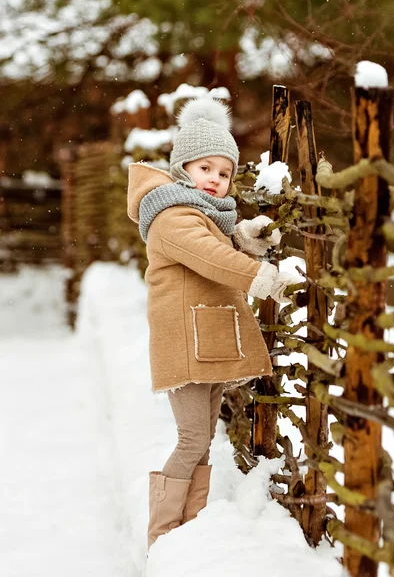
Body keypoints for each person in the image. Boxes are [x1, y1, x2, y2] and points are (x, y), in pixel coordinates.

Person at [126, 97, 300, 549]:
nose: (216, 180)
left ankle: (188, 531)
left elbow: (216, 241)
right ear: (182, 167)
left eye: (224, 173)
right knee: (191, 439)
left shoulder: (200, 216)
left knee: (201, 441)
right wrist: (260, 275)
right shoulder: (170, 216)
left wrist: (244, 237)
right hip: (184, 341)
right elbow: (209, 254)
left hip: (205, 338)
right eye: (206, 168)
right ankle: (162, 534)